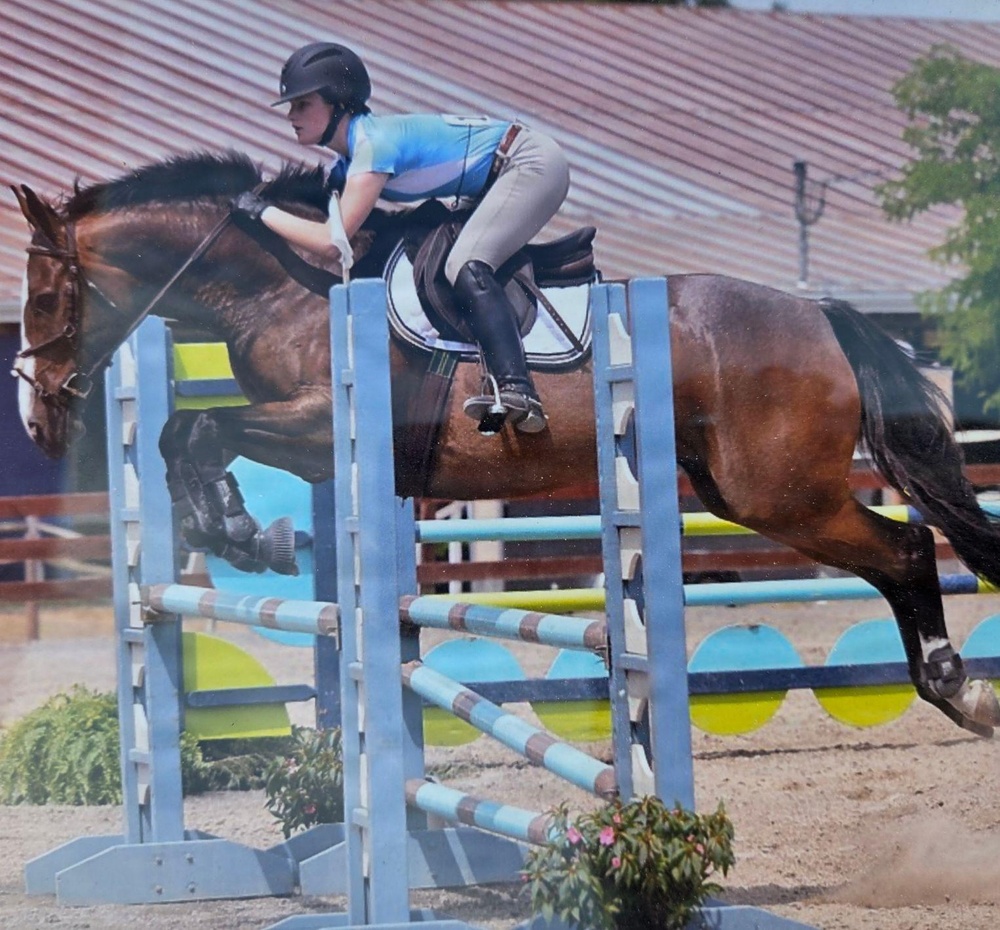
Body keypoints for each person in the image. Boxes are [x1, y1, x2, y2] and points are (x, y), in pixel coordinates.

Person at [232, 42, 570, 434]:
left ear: (338, 103)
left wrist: (264, 214)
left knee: (466, 264)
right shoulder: (349, 161)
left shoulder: (373, 146)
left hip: (530, 163)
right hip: (495, 179)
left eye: (302, 104)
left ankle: (517, 389)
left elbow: (331, 242)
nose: (291, 115)